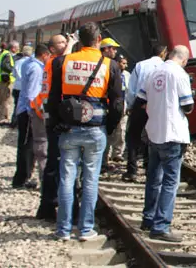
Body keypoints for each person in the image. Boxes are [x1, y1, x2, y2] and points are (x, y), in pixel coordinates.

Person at [47, 22, 123, 241]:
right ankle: (86, 229)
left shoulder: (62, 61)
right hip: (95, 129)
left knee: (66, 179)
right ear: (99, 40)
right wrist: (108, 127)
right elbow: (118, 104)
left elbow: (53, 98)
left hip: (69, 129)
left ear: (79, 40)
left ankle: (63, 229)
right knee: (90, 180)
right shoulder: (111, 66)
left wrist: (55, 124)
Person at [136, 46, 194, 242]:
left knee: (154, 177)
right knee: (170, 181)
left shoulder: (153, 72)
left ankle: (148, 218)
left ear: (170, 55)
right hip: (173, 133)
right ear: (184, 59)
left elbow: (140, 100)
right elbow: (187, 106)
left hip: (154, 131)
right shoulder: (180, 74)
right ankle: (161, 226)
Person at [34, 33, 72, 221]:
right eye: (62, 42)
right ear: (51, 48)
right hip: (54, 116)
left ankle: (48, 205)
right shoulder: (54, 62)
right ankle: (50, 205)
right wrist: (72, 46)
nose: (65, 44)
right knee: (56, 162)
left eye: (66, 41)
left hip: (51, 113)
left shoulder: (53, 62)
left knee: (55, 162)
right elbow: (65, 64)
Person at [123, 45, 168, 182]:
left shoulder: (140, 65)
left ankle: (132, 170)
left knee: (133, 136)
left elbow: (131, 88)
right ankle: (151, 169)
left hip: (140, 103)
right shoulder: (166, 67)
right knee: (154, 137)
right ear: (163, 53)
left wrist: (130, 106)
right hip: (157, 105)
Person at [12, 44, 51, 189]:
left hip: (23, 109)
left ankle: (21, 177)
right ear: (45, 55)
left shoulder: (28, 62)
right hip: (28, 111)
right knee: (27, 146)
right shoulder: (36, 68)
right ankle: (22, 179)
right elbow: (32, 94)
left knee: (25, 144)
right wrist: (34, 112)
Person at [102, 54, 129, 172]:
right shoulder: (110, 71)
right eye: (122, 63)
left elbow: (129, 90)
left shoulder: (127, 75)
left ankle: (118, 153)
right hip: (111, 105)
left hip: (123, 105)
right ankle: (106, 155)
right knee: (109, 131)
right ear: (117, 63)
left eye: (125, 63)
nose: (124, 65)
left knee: (121, 130)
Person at [0, 40, 19, 125]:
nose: (18, 49)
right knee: (5, 100)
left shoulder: (5, 53)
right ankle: (2, 119)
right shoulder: (7, 55)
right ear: (13, 48)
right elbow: (5, 66)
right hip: (4, 80)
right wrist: (14, 69)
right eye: (17, 47)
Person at [10, 45, 34, 127]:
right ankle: (24, 124)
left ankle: (14, 122)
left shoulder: (17, 62)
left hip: (17, 87)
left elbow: (13, 74)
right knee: (26, 107)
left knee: (16, 105)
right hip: (26, 88)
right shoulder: (32, 63)